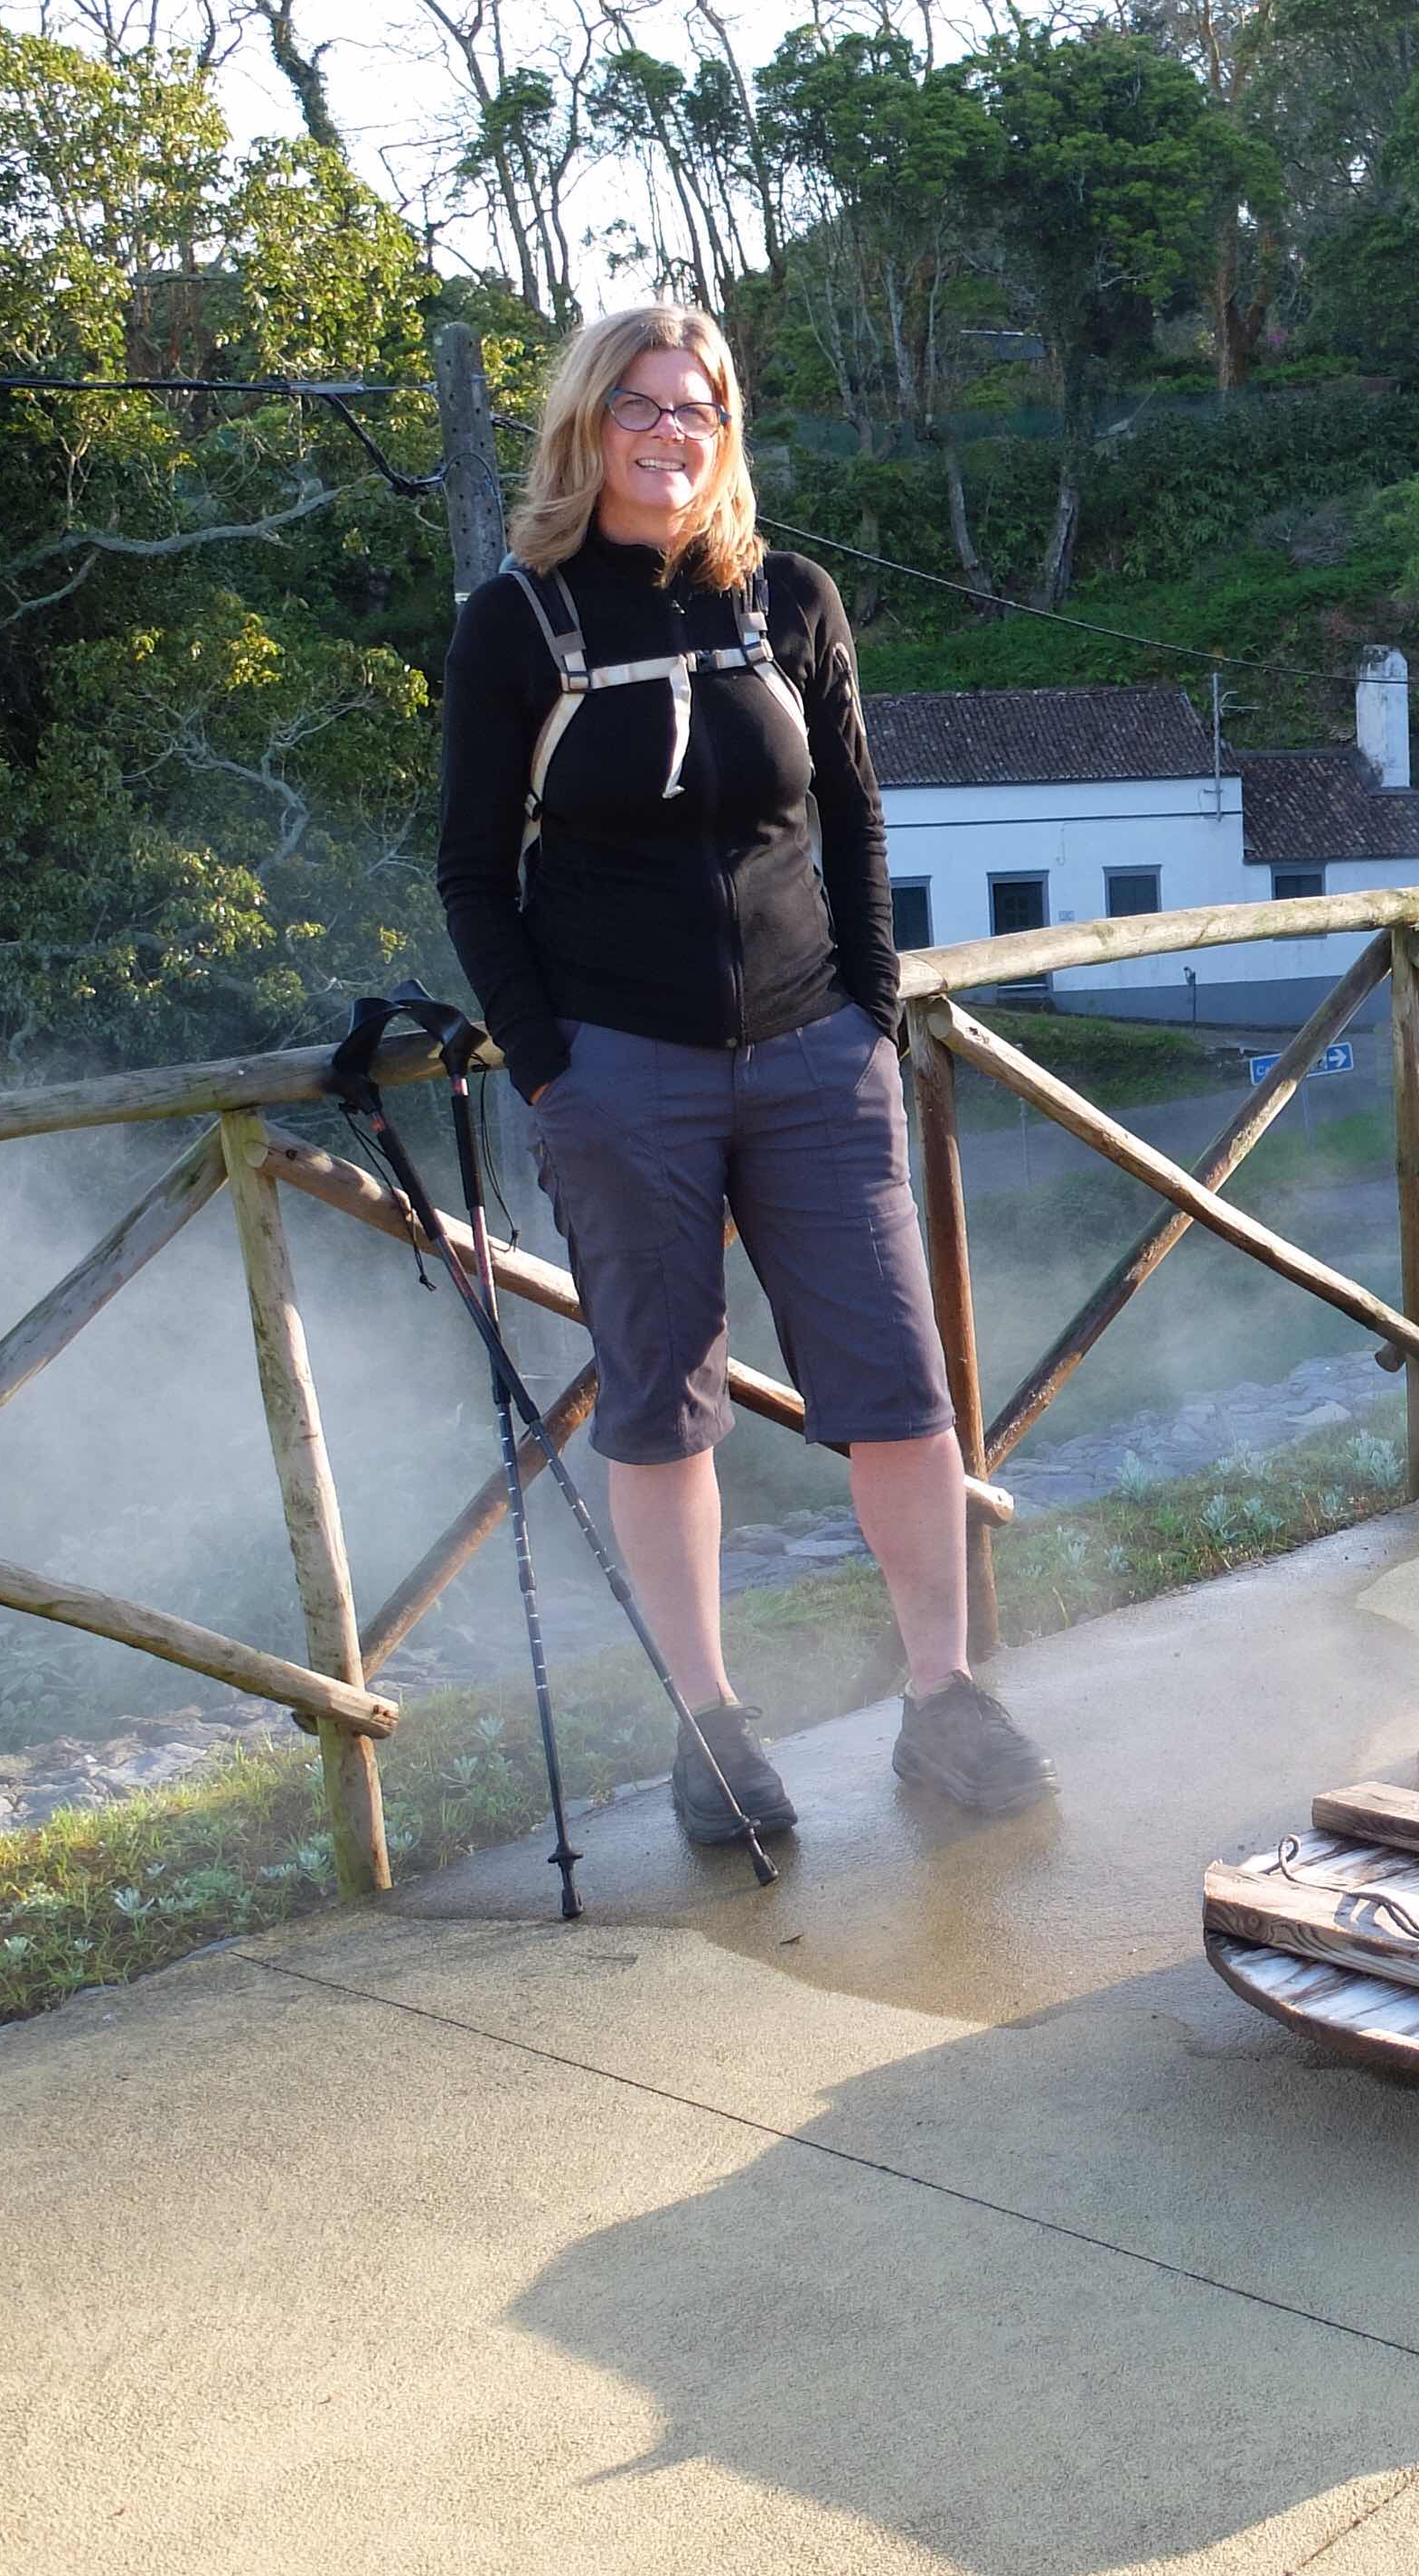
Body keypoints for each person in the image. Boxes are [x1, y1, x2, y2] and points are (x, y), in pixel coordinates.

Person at [437, 301, 1052, 1838]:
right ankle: (711, 1731)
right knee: (662, 1407)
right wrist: (551, 1070)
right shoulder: (515, 623)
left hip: (814, 1059)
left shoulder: (791, 600)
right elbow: (471, 875)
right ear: (587, 425)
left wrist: (868, 1012)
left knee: (901, 1391)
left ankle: (942, 1700)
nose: (671, 434)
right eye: (639, 406)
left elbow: (854, 818)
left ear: (727, 432)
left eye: (697, 408)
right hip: (620, 1071)